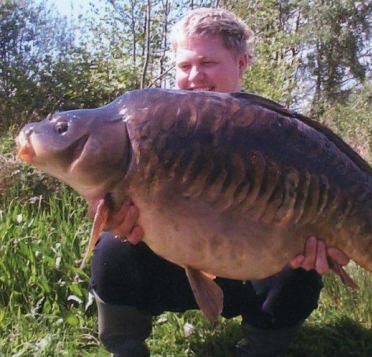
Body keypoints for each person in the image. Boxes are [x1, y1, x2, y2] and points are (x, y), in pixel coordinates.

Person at [91, 8, 349, 357]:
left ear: (241, 63)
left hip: (252, 269)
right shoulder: (157, 129)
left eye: (207, 63)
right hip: (176, 265)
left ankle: (261, 347)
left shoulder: (277, 134)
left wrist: (324, 244)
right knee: (113, 249)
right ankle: (124, 347)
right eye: (184, 66)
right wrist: (115, 220)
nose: (194, 76)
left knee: (299, 267)